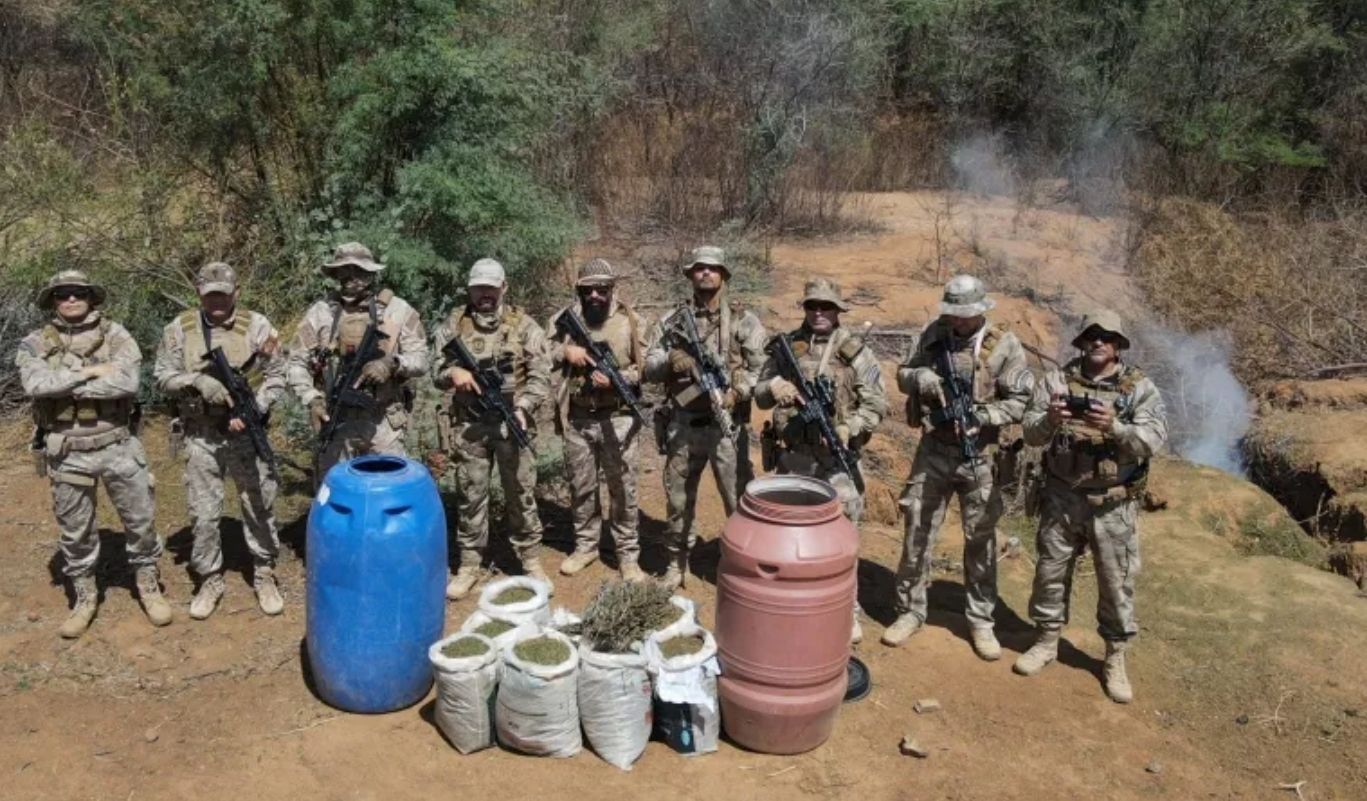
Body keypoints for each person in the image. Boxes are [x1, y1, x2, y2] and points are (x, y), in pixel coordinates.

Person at [1014, 310, 1167, 703]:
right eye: (1091, 335)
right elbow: (1030, 434)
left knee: (1116, 584)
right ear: (1082, 341)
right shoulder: (1056, 381)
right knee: (1050, 572)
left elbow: (1152, 441)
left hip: (1112, 505)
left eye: (1107, 336)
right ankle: (1047, 642)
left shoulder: (1139, 388)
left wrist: (1114, 427)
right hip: (1061, 497)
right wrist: (1050, 418)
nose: (1098, 342)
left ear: (1118, 344)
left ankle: (1114, 658)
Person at [882, 275, 1030, 660]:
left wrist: (984, 417)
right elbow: (902, 374)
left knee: (979, 540)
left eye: (967, 315)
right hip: (933, 449)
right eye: (955, 314)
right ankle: (910, 611)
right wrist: (921, 377)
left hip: (980, 456)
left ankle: (981, 620)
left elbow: (1021, 402)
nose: (959, 322)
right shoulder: (934, 334)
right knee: (918, 531)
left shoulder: (1005, 346)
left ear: (982, 310)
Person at [17, 270, 172, 637]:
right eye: (62, 294)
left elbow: (128, 381)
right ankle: (84, 597)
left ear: (92, 297)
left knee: (140, 520)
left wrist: (69, 384)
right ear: (52, 300)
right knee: (75, 530)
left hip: (118, 444)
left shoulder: (116, 335)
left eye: (78, 292)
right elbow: (36, 384)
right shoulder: (35, 342)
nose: (70, 299)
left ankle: (148, 585)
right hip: (68, 449)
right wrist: (91, 372)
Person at [754, 278, 886, 642]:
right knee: (789, 537)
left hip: (835, 462)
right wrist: (773, 387)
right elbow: (759, 393)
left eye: (826, 307)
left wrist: (851, 427)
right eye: (812, 306)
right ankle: (789, 605)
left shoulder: (856, 353)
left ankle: (848, 610)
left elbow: (877, 403)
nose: (818, 313)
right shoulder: (787, 349)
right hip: (794, 460)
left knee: (841, 541)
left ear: (837, 311)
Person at [153, 262, 287, 619]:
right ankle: (209, 578)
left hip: (245, 433)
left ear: (235, 294)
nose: (216, 302)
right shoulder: (180, 329)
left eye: (223, 295)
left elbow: (277, 374)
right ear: (199, 293)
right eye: (210, 295)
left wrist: (255, 409)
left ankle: (263, 571)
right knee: (204, 511)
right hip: (201, 435)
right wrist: (198, 382)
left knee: (258, 502)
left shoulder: (257, 326)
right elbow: (161, 375)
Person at [644, 246, 767, 589]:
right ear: (690, 276)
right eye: (699, 269)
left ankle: (746, 566)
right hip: (683, 424)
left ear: (724, 276)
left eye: (713, 269)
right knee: (678, 498)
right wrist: (671, 359)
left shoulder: (745, 321)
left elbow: (761, 370)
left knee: (738, 499)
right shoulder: (671, 321)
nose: (706, 274)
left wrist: (736, 392)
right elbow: (648, 367)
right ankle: (676, 563)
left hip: (727, 427)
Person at [434, 258, 553, 599]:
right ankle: (470, 564)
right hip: (470, 425)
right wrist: (453, 375)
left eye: (491, 287)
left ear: (504, 288)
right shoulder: (454, 325)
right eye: (478, 287)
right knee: (471, 494)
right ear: (470, 289)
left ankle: (530, 559)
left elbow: (540, 374)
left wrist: (524, 406)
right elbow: (435, 369)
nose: (484, 293)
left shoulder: (525, 326)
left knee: (522, 493)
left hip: (512, 422)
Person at [285, 242, 428, 478]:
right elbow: (296, 363)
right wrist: (312, 399)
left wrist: (392, 364)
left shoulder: (398, 310)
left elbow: (421, 360)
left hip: (384, 422)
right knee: (336, 491)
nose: (352, 278)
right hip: (336, 418)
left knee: (386, 491)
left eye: (360, 271)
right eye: (345, 271)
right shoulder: (322, 312)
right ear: (336, 274)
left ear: (372, 273)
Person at [547, 259, 648, 582]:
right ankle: (587, 546)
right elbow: (538, 351)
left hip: (618, 418)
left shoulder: (631, 321)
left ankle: (627, 555)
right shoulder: (565, 321)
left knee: (624, 489)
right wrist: (567, 353)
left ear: (612, 288)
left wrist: (620, 377)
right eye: (587, 289)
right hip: (577, 417)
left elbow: (647, 368)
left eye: (601, 289)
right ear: (579, 290)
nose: (595, 295)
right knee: (582, 486)